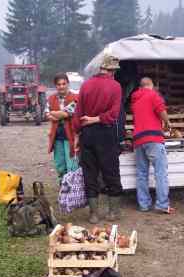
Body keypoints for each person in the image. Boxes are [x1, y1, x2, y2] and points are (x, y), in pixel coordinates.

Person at [73, 55, 123, 224]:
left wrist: (77, 134)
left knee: (90, 173)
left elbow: (78, 113)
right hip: (105, 134)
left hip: (87, 134)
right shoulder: (115, 86)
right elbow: (114, 114)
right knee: (111, 172)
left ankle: (93, 214)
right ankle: (112, 212)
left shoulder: (86, 85)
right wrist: (98, 119)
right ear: (112, 70)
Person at [131, 77, 174, 214]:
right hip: (153, 138)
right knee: (160, 172)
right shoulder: (153, 95)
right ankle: (162, 204)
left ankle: (144, 204)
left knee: (142, 174)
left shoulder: (135, 99)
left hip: (138, 140)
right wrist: (168, 123)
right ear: (151, 85)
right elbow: (161, 111)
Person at [46, 73, 79, 182]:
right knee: (60, 164)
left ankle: (73, 190)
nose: (61, 86)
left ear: (68, 84)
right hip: (57, 136)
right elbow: (46, 113)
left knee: (72, 164)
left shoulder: (75, 97)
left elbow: (66, 113)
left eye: (63, 84)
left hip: (71, 135)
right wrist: (54, 114)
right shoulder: (51, 98)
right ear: (55, 86)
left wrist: (53, 113)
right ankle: (63, 187)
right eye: (58, 84)